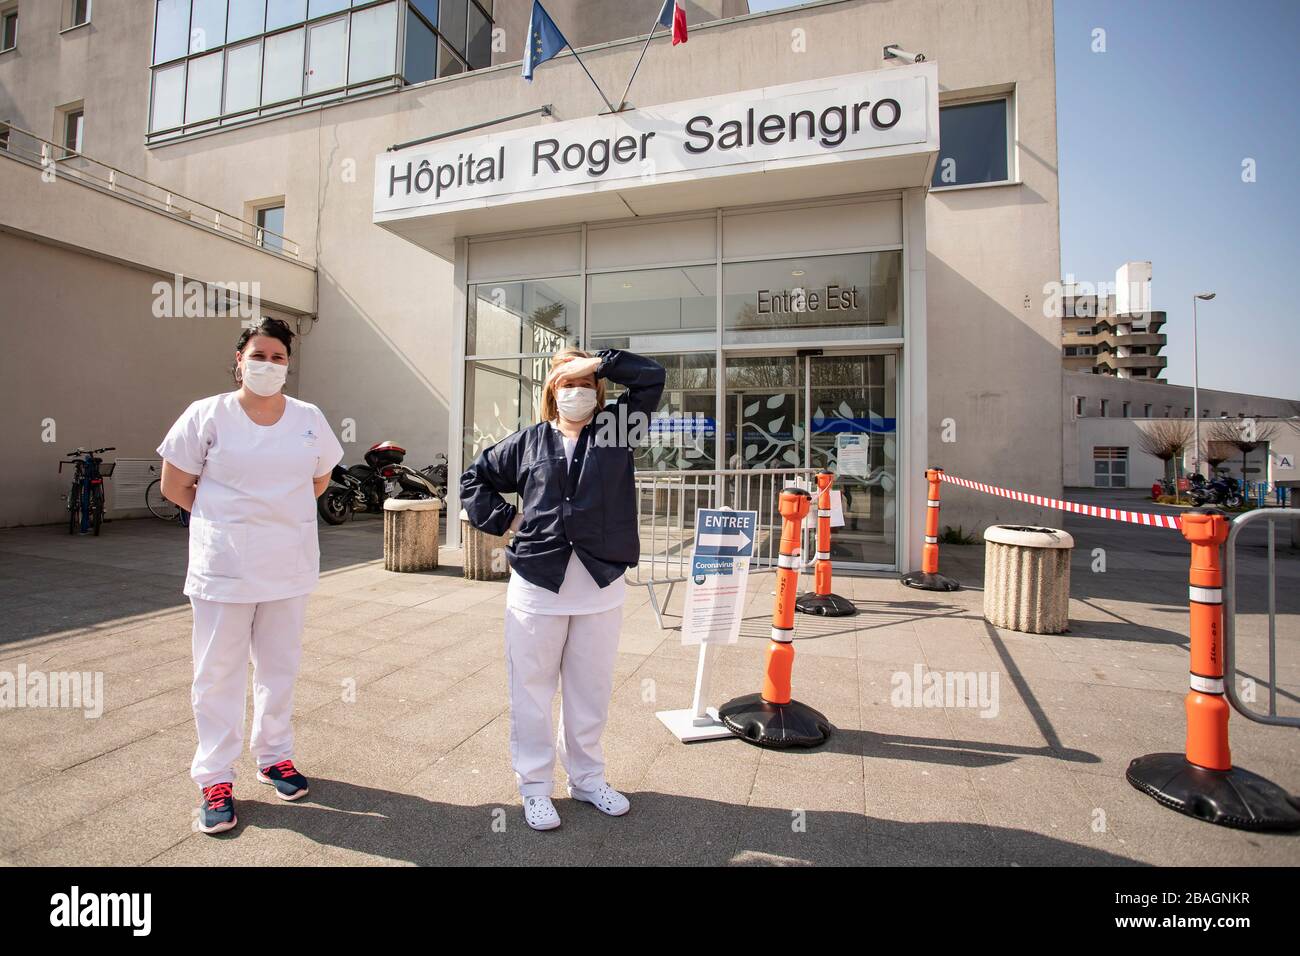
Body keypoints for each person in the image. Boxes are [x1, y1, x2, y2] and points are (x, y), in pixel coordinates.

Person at [461, 347, 665, 831]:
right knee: (531, 692)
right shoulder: (529, 442)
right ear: (552, 391)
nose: (575, 391)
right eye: (565, 382)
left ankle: (588, 779)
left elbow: (652, 377)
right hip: (537, 585)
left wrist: (595, 362)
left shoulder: (618, 431)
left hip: (599, 586)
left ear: (597, 390)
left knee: (589, 691)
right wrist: (507, 518)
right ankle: (534, 787)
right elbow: (474, 480)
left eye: (583, 383)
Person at [156, 317, 344, 835]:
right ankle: (215, 777)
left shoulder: (308, 417)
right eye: (257, 355)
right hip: (225, 570)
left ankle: (274, 756)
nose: (267, 364)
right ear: (239, 360)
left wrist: (275, 519)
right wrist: (228, 522)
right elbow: (176, 484)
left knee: (278, 668)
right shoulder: (207, 414)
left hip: (288, 566)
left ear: (288, 365)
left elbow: (320, 475)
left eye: (278, 357)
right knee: (218, 673)